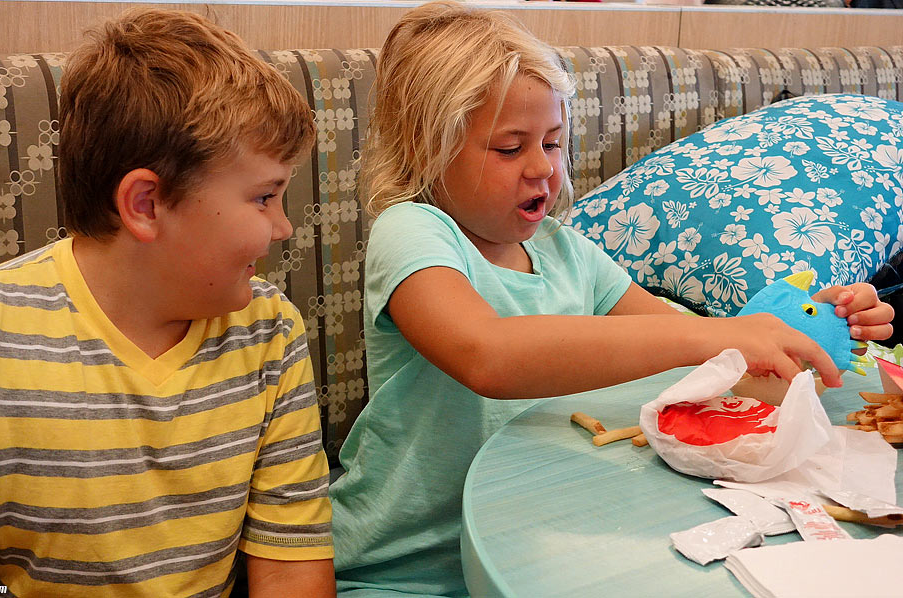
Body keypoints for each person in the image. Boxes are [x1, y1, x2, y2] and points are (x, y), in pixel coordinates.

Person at [328, 2, 894, 597]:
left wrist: (811, 338)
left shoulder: (568, 252)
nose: (541, 169)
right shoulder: (413, 231)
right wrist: (712, 333)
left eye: (551, 142)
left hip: (539, 556)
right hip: (400, 574)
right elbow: (487, 356)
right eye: (508, 147)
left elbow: (722, 376)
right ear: (427, 150)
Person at [0, 8, 334, 597]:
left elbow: (291, 561)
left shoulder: (270, 331)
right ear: (146, 204)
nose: (283, 228)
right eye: (264, 198)